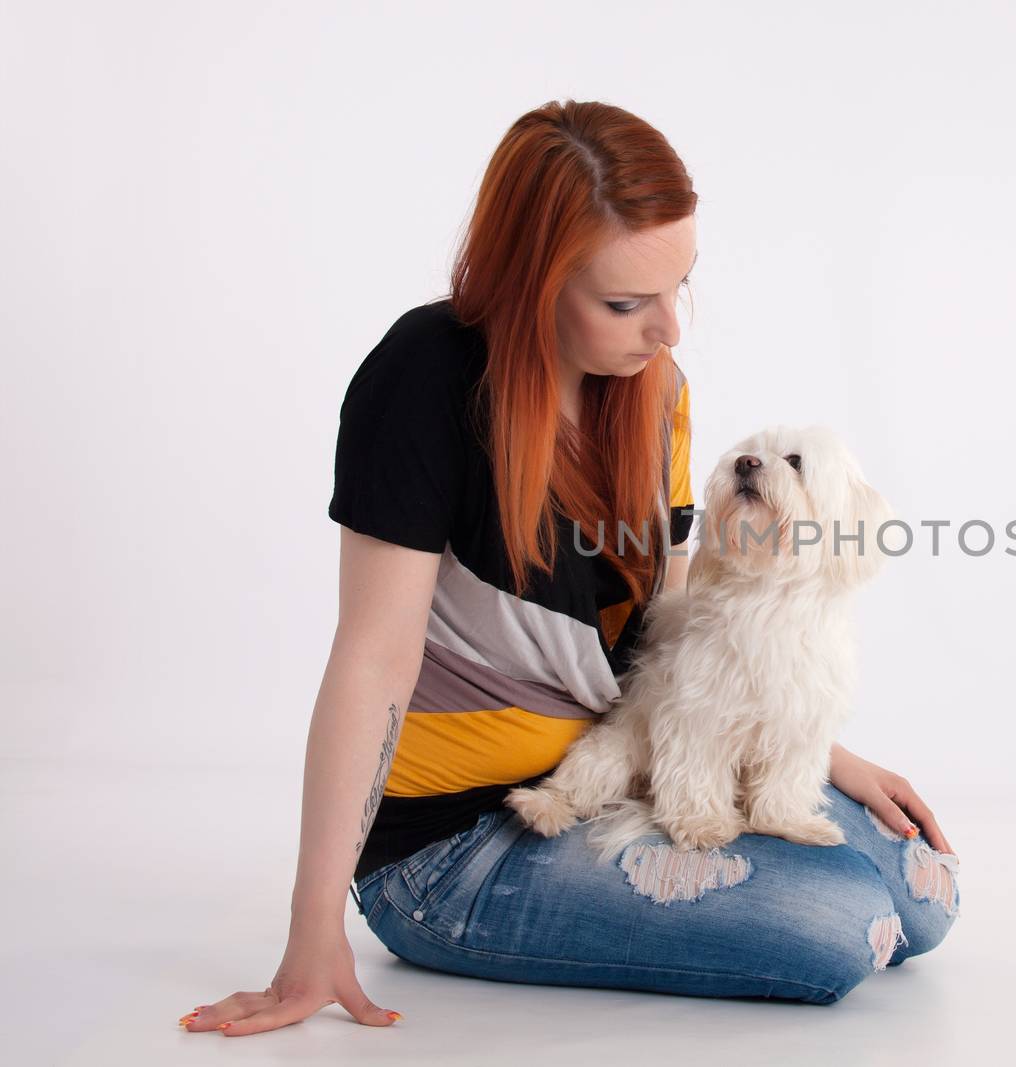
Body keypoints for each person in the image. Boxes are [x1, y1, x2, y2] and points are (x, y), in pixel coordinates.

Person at [180, 100, 959, 1037]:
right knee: (848, 923)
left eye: (681, 285)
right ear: (533, 282)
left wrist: (811, 740)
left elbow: (672, 618)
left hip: (622, 754)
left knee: (925, 894)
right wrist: (312, 933)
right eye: (627, 304)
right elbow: (371, 660)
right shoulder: (421, 381)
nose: (668, 327)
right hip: (449, 846)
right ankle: (433, 912)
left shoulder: (650, 389)